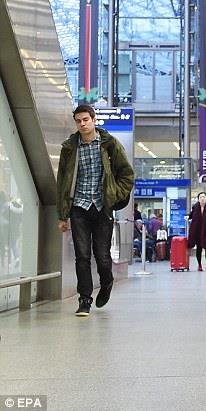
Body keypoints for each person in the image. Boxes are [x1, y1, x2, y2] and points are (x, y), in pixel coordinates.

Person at [56, 104, 134, 316]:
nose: (82, 124)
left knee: (102, 256)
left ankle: (107, 282)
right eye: (78, 121)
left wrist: (114, 194)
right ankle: (84, 300)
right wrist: (62, 215)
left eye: (85, 120)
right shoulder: (70, 148)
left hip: (102, 207)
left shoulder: (110, 144)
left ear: (93, 120)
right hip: (79, 207)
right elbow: (62, 182)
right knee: (82, 256)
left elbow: (127, 174)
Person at [188, 192, 206, 271]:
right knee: (199, 248)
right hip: (197, 231)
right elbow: (191, 215)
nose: (202, 198)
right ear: (198, 199)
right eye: (200, 197)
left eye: (204, 197)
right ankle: (199, 265)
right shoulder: (195, 207)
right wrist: (188, 217)